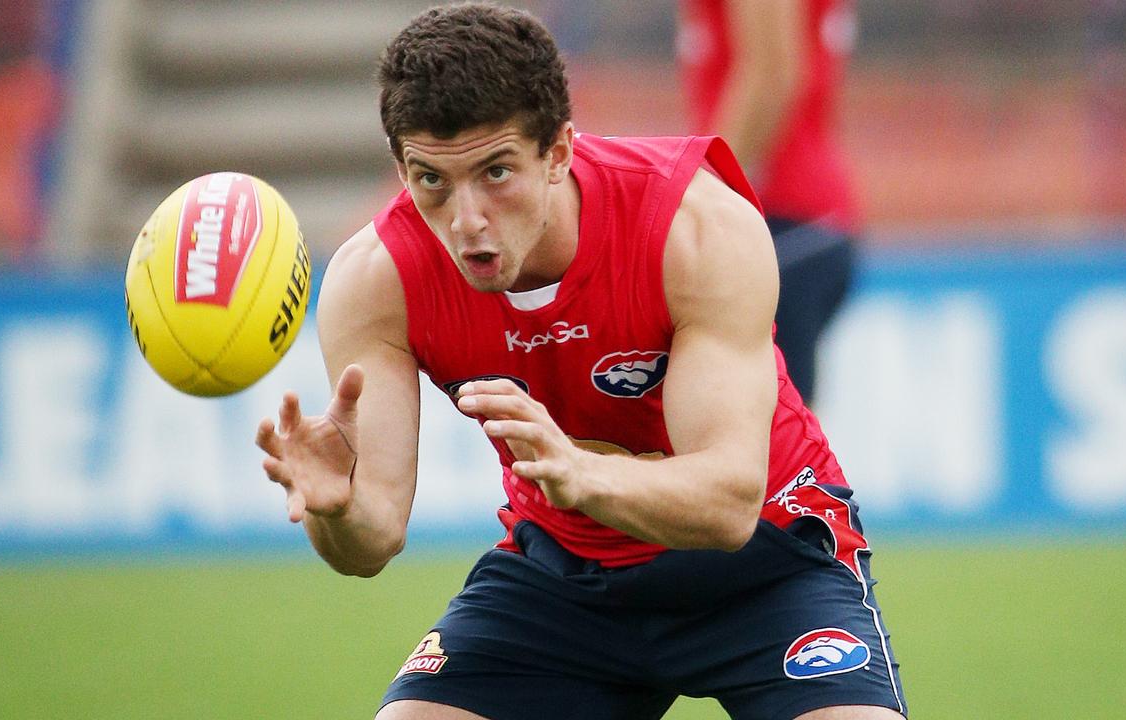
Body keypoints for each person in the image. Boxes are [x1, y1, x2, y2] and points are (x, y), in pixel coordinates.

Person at [255, 4, 904, 719]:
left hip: (770, 569)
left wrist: (580, 472)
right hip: (565, 581)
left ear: (558, 151)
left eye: (496, 172)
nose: (466, 218)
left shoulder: (694, 225)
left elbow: (729, 504)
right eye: (431, 179)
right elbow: (372, 540)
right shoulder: (375, 280)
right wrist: (337, 510)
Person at [677, 0, 861, 403]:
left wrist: (695, 195)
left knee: (759, 446)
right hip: (799, 222)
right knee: (766, 443)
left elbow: (773, 76)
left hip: (775, 222)